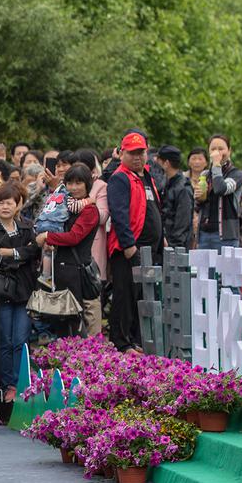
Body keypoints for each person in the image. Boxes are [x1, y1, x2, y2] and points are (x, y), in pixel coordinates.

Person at [0, 183, 39, 404]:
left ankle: (21, 383)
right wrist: (19, 257)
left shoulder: (26, 227)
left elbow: (34, 250)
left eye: (9, 203)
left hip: (24, 290)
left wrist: (11, 253)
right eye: (1, 203)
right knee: (4, 340)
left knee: (21, 339)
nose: (5, 207)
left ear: (18, 205)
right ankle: (8, 386)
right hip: (2, 291)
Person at [106, 132, 163, 351]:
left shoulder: (147, 176)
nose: (137, 157)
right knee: (125, 295)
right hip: (129, 249)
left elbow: (154, 209)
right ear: (122, 153)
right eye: (132, 153)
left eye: (141, 152)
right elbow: (119, 214)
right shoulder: (120, 178)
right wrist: (129, 246)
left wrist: (162, 238)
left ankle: (135, 340)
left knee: (140, 295)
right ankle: (121, 342)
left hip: (150, 249)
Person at [38, 165, 102, 337]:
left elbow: (74, 237)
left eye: (78, 183)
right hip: (60, 272)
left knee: (78, 324)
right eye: (70, 183)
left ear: (88, 184)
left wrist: (47, 236)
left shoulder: (89, 210)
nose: (73, 188)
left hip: (77, 273)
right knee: (63, 325)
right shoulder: (63, 205)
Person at [196, 134, 242, 251]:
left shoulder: (236, 174)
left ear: (229, 150)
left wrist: (216, 165)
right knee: (203, 264)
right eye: (213, 149)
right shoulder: (205, 174)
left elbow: (220, 189)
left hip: (226, 236)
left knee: (226, 264)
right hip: (204, 234)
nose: (217, 152)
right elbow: (199, 206)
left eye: (221, 149)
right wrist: (198, 198)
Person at [157, 145, 194, 249]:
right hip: (165, 244)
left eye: (159, 161)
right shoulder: (166, 184)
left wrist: (173, 246)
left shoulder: (183, 188)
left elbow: (183, 223)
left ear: (166, 163)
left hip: (176, 247)